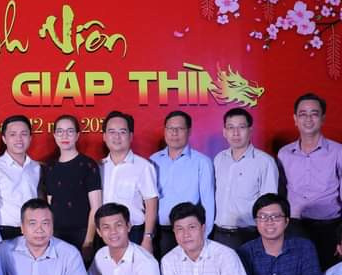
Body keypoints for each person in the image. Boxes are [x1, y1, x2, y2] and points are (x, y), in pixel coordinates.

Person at [278, 93, 342, 271]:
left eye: (314, 114)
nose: (308, 119)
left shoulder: (339, 152)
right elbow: (280, 195)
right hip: (295, 228)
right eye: (303, 114)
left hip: (329, 228)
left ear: (323, 118)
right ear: (295, 119)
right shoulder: (284, 154)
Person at [211, 108, 278, 250]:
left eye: (241, 127)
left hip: (248, 235)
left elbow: (269, 204)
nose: (236, 133)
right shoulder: (219, 159)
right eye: (231, 128)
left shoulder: (264, 162)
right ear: (224, 132)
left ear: (250, 130)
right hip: (219, 234)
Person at [150, 111, 214, 256]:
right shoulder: (153, 160)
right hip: (160, 232)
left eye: (179, 128)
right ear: (165, 130)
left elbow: (208, 203)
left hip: (189, 234)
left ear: (189, 131)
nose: (174, 133)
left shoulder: (201, 162)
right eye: (170, 128)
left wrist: (204, 237)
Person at [41, 114, 102, 260]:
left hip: (82, 233)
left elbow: (96, 207)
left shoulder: (88, 165)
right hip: (56, 236)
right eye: (60, 131)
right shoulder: (50, 167)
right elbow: (49, 205)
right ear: (54, 135)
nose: (65, 136)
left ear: (77, 135)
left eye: (70, 131)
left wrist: (88, 241)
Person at [99, 111, 158, 253]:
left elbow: (151, 204)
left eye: (122, 132)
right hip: (103, 235)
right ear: (104, 136)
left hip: (133, 234)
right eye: (112, 132)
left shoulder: (143, 166)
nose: (117, 137)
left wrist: (147, 238)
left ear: (131, 136)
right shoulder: (98, 167)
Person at [0, 114, 41, 248]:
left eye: (24, 134)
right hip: (5, 233)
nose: (19, 139)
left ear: (30, 138)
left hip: (33, 232)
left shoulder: (36, 167)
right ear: (4, 139)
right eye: (13, 134)